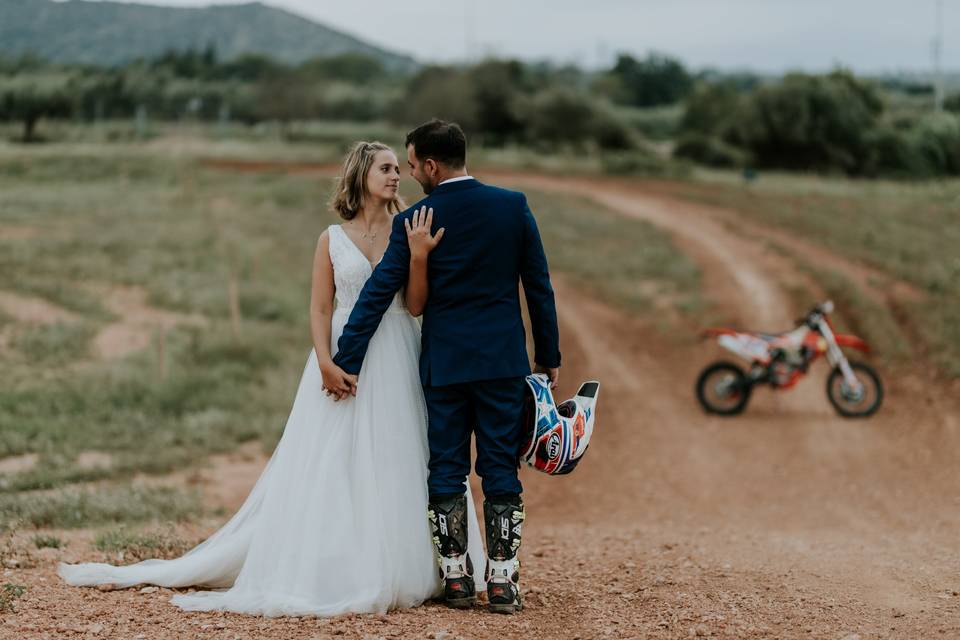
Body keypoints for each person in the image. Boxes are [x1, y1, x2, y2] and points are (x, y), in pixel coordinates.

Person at [58, 141, 486, 617]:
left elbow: (416, 305)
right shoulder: (331, 238)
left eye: (397, 169)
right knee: (330, 459)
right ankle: (336, 559)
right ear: (361, 174)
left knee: (400, 452)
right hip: (343, 353)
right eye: (385, 168)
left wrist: (421, 255)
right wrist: (325, 359)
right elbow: (320, 306)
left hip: (397, 351)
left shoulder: (410, 230)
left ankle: (416, 562)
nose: (395, 177)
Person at [333, 120, 561, 614]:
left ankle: (455, 577)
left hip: (446, 365)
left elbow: (376, 295)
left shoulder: (417, 218)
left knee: (447, 467)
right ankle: (502, 582)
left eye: (413, 165)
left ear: (432, 165)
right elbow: (538, 286)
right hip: (503, 363)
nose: (411, 174)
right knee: (501, 465)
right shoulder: (512, 206)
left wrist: (345, 359)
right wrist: (549, 359)